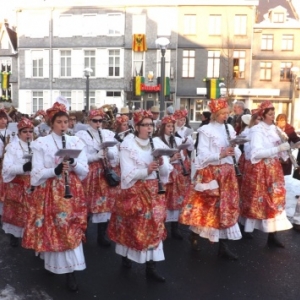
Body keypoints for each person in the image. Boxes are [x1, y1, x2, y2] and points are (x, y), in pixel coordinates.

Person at [22, 102, 89, 292]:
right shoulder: (41, 143)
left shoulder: (75, 142)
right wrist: (55, 170)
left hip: (72, 192)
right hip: (50, 191)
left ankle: (72, 273)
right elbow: (35, 175)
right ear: (52, 124)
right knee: (55, 228)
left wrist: (74, 163)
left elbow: (85, 172)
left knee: (71, 227)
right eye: (59, 122)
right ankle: (52, 264)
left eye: (66, 122)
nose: (63, 125)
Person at [108, 110, 172, 282]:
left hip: (154, 191)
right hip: (135, 191)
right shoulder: (128, 145)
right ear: (136, 127)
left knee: (155, 226)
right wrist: (147, 170)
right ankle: (126, 257)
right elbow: (127, 173)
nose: (149, 128)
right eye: (145, 125)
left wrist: (161, 164)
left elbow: (166, 172)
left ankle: (151, 267)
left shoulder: (157, 143)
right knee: (134, 226)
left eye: (151, 125)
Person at [179, 98, 242, 260]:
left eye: (227, 113)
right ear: (215, 114)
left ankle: (223, 246)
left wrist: (235, 150)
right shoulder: (205, 130)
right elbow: (201, 155)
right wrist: (220, 154)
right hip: (211, 172)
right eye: (222, 114)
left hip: (227, 173)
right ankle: (194, 235)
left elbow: (236, 152)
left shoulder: (229, 128)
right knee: (207, 208)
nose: (225, 116)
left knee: (226, 208)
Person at [239, 101, 292, 247]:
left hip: (274, 168)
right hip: (262, 169)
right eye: (270, 114)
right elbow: (256, 153)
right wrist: (277, 149)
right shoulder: (257, 130)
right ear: (262, 115)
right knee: (262, 202)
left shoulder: (274, 129)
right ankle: (248, 231)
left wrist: (284, 150)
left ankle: (272, 235)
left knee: (275, 200)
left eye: (273, 113)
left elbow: (277, 149)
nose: (273, 116)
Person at [76, 108, 119, 247]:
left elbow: (115, 154)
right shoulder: (82, 135)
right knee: (87, 205)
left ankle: (102, 236)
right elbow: (80, 157)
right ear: (89, 121)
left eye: (101, 121)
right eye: (95, 121)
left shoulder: (107, 134)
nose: (98, 124)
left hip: (105, 172)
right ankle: (83, 234)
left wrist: (108, 152)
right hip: (91, 174)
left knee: (105, 205)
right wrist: (96, 156)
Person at [154, 115, 190, 240]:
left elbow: (185, 156)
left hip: (177, 173)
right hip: (166, 174)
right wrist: (171, 158)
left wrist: (182, 154)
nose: (170, 128)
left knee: (176, 201)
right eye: (168, 126)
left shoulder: (177, 140)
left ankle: (175, 228)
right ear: (163, 127)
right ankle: (162, 227)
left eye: (172, 126)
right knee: (164, 201)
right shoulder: (157, 141)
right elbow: (159, 158)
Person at [2, 118, 33, 247]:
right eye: (25, 131)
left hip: (32, 184)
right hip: (17, 183)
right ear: (19, 133)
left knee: (31, 211)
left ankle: (30, 235)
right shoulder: (12, 147)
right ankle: (14, 236)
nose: (28, 134)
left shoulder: (37, 145)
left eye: (30, 131)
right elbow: (7, 168)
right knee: (16, 211)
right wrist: (23, 168)